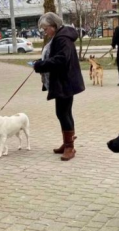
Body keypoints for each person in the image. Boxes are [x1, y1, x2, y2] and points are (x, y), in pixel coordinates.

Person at [33, 12, 85, 161]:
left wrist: (41, 65)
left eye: (45, 29)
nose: (45, 32)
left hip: (65, 81)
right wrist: (41, 61)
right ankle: (67, 143)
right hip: (64, 81)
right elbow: (54, 56)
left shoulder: (62, 38)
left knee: (63, 113)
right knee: (63, 113)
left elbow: (61, 59)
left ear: (54, 26)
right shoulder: (60, 36)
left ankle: (69, 147)